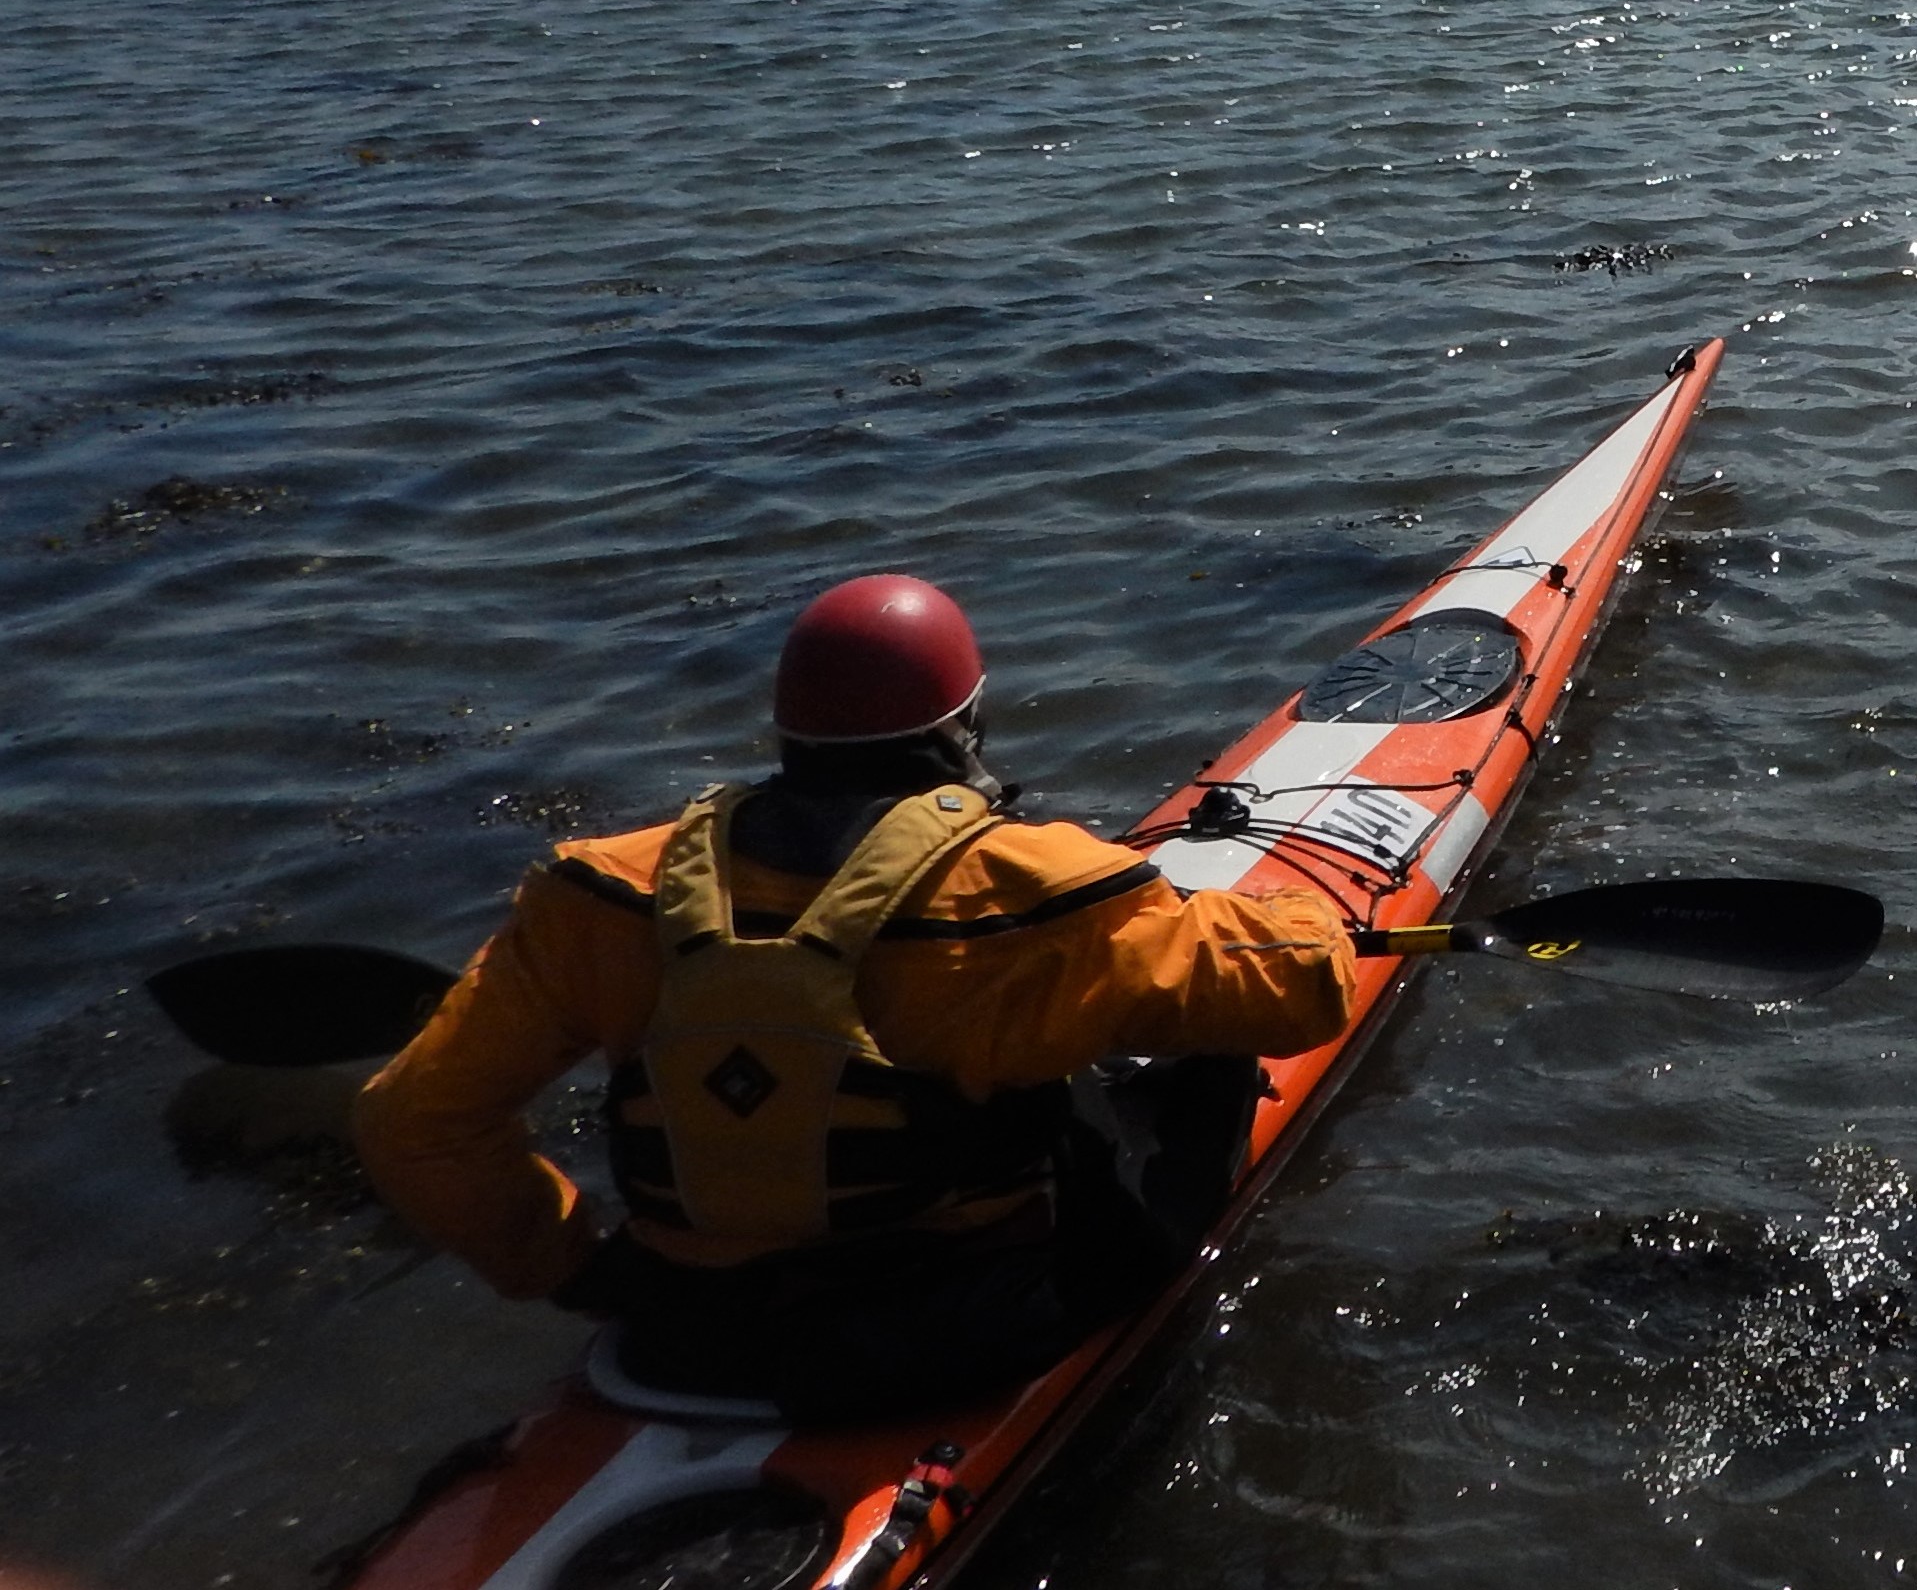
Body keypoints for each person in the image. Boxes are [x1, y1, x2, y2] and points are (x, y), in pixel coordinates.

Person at [353, 575, 1355, 1419]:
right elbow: (1304, 991)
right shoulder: (1035, 890)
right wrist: (1299, 921)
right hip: (960, 1331)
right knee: (1206, 1048)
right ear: (967, 725)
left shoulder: (600, 889)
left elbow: (414, 1121)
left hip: (678, 1330)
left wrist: (575, 1267)